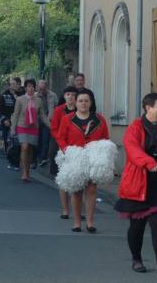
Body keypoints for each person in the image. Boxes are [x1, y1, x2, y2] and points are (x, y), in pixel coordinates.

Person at [115, 93, 157, 276]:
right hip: (138, 185)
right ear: (148, 108)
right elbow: (132, 149)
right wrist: (149, 162)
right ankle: (136, 259)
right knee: (137, 226)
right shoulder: (135, 127)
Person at [56, 90, 108, 233]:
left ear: (91, 103)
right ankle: (77, 222)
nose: (83, 103)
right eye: (80, 101)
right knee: (77, 190)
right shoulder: (67, 119)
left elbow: (105, 138)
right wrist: (67, 150)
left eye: (86, 101)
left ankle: (90, 222)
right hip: (75, 157)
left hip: (93, 158)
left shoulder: (100, 119)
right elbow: (60, 137)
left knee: (91, 189)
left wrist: (102, 155)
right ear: (75, 102)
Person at [49, 86, 77, 219]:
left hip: (77, 147)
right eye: (68, 94)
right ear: (64, 96)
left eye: (73, 94)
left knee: (77, 179)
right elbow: (54, 128)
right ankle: (65, 210)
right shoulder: (59, 110)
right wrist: (62, 143)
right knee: (63, 178)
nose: (70, 97)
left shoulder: (81, 109)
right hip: (61, 145)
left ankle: (77, 210)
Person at [11, 79, 44, 182]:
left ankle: (27, 169)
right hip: (22, 126)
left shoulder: (38, 100)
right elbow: (16, 114)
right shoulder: (20, 99)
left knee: (30, 149)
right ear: (25, 88)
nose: (30, 89)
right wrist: (13, 128)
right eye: (28, 87)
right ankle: (24, 172)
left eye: (32, 87)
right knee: (24, 147)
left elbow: (42, 115)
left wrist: (51, 125)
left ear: (35, 88)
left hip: (33, 127)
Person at [37, 79, 58, 167]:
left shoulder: (53, 95)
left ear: (47, 87)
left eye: (43, 88)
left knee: (45, 140)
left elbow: (56, 107)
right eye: (40, 88)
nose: (41, 90)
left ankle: (43, 158)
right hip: (37, 121)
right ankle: (38, 157)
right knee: (38, 140)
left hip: (48, 121)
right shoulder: (35, 96)